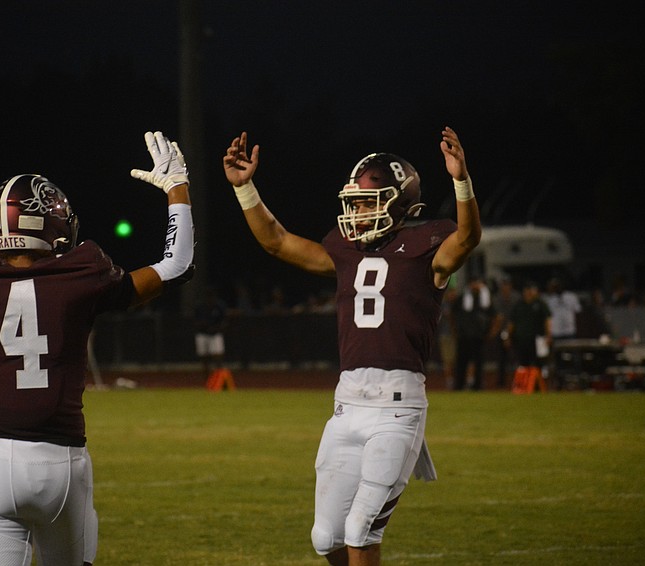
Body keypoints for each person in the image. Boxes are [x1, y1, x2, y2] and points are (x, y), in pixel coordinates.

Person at [0, 131, 194, 566]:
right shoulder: (83, 273)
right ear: (57, 227)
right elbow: (176, 266)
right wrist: (177, 187)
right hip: (62, 465)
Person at [223, 127, 481, 566]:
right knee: (327, 538)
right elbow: (277, 241)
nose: (358, 211)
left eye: (367, 201)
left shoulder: (426, 246)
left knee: (361, 530)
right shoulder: (344, 251)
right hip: (346, 407)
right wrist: (245, 188)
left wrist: (461, 182)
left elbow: (467, 239)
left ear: (400, 203)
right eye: (354, 202)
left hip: (396, 411)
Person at [504, 280, 552, 392]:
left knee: (539, 364)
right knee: (523, 364)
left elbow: (547, 320)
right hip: (521, 340)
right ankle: (524, 386)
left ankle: (538, 387)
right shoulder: (519, 305)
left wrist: (548, 335)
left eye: (531, 290)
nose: (529, 292)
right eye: (527, 290)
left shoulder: (540, 304)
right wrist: (507, 336)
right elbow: (511, 323)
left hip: (538, 340)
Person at [451, 276, 497, 391]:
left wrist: (491, 332)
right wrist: (455, 331)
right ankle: (459, 385)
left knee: (479, 363)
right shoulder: (462, 298)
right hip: (464, 336)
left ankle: (478, 385)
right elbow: (451, 314)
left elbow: (495, 317)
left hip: (479, 336)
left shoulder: (486, 299)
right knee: (461, 362)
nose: (475, 285)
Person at [194, 286, 229, 380]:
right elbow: (195, 322)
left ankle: (219, 378)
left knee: (218, 356)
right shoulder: (200, 307)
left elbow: (224, 321)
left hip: (215, 334)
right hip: (203, 334)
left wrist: (216, 328)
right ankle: (207, 379)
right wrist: (203, 325)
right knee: (204, 357)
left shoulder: (219, 306)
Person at [492, 277, 521, 388]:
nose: (505, 287)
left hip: (515, 332)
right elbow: (497, 317)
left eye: (507, 284)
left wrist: (509, 334)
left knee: (516, 358)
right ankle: (501, 382)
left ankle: (518, 381)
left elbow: (517, 317)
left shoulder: (516, 297)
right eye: (503, 285)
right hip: (501, 331)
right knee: (501, 359)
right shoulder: (496, 298)